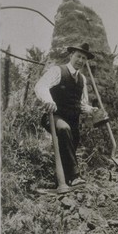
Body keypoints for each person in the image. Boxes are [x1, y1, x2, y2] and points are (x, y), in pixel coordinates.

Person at [35, 42, 101, 186]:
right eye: (78, 56)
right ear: (71, 55)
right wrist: (48, 100)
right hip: (53, 117)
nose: (81, 61)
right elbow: (41, 86)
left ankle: (62, 180)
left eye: (84, 58)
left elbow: (81, 103)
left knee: (71, 141)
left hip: (73, 120)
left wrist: (89, 109)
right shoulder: (58, 71)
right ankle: (75, 176)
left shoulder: (82, 79)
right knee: (64, 130)